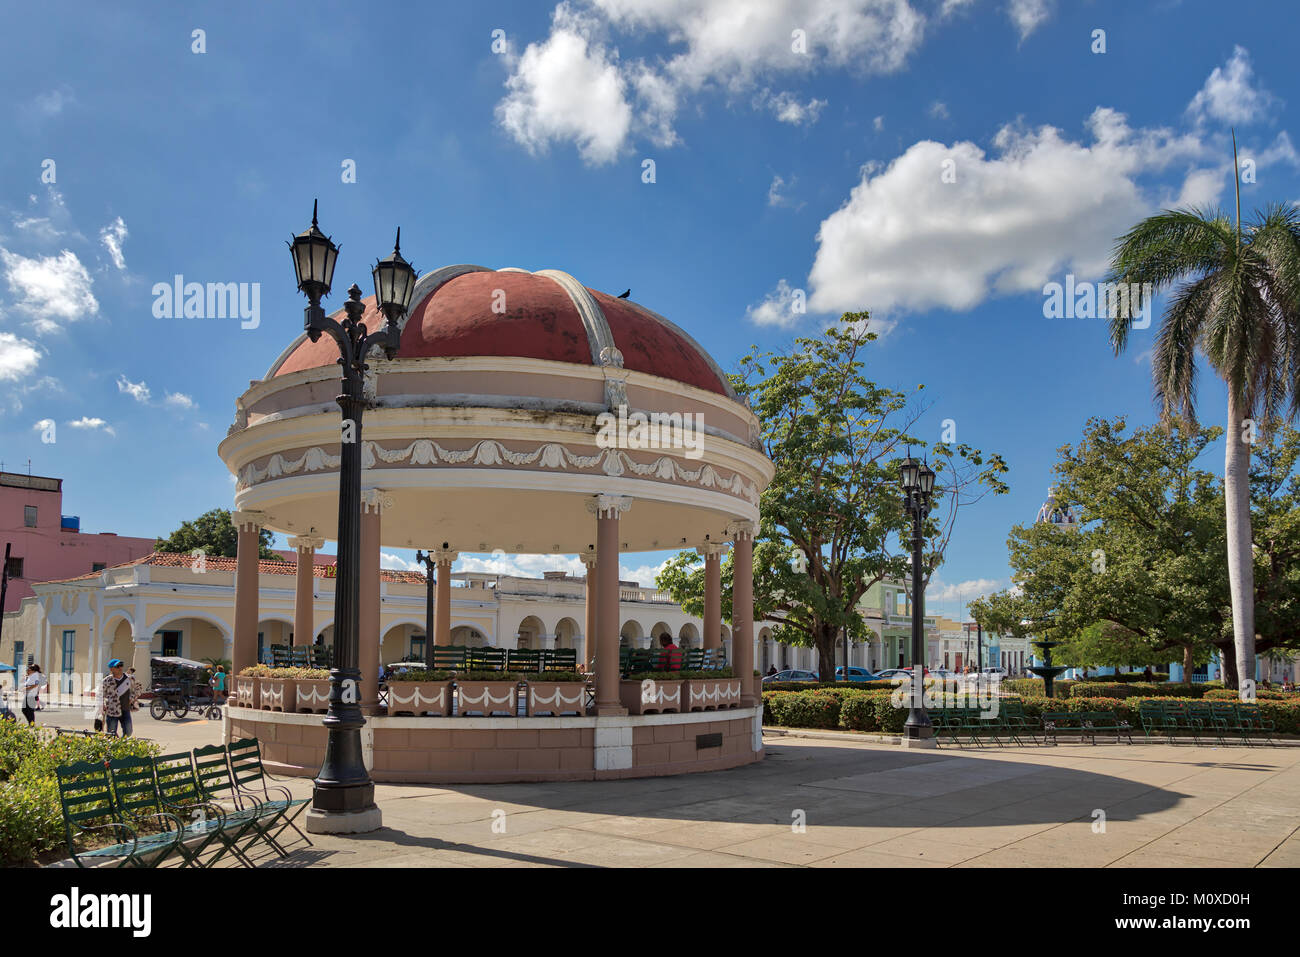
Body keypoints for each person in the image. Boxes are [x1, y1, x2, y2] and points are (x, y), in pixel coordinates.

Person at [99, 659, 140, 738]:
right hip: (112, 710)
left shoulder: (130, 678)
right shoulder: (106, 681)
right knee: (111, 734)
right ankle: (114, 746)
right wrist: (102, 705)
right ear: (111, 669)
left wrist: (132, 698)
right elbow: (100, 694)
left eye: (121, 665)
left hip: (125, 709)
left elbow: (138, 688)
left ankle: (121, 744)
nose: (120, 668)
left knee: (128, 731)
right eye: (117, 666)